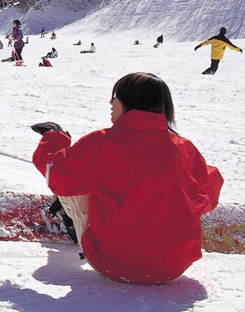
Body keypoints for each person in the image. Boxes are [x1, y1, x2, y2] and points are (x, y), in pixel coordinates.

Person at [30, 72, 222, 284]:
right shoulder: (183, 147)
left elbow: (57, 173)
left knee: (75, 187)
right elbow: (210, 192)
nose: (111, 102)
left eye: (116, 96)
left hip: (113, 263)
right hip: (173, 268)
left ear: (130, 101)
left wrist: (54, 138)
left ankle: (71, 222)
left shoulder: (104, 142)